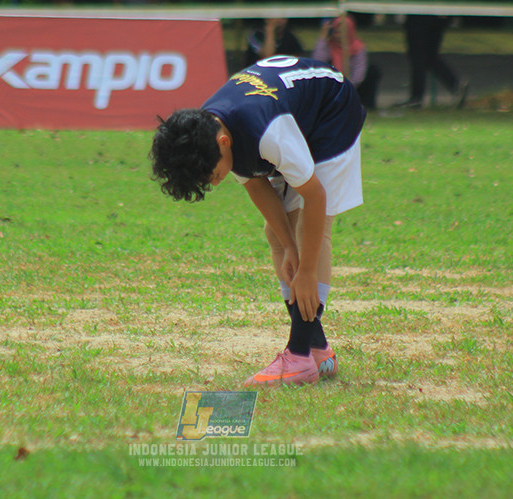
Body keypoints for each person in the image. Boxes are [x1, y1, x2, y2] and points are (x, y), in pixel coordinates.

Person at [151, 56, 366, 387]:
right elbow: (255, 184)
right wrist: (290, 248)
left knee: (310, 227)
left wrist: (307, 271)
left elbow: (316, 197)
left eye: (212, 175)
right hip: (293, 113)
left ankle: (298, 357)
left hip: (331, 110)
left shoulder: (266, 131)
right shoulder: (210, 128)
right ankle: (318, 349)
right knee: (277, 233)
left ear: (224, 143)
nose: (213, 183)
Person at [312, 15, 381, 109]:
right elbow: (317, 64)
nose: (340, 35)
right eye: (337, 31)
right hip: (333, 87)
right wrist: (323, 38)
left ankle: (366, 105)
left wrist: (347, 89)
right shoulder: (328, 45)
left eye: (343, 32)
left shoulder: (358, 47)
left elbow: (359, 72)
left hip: (353, 86)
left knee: (373, 70)